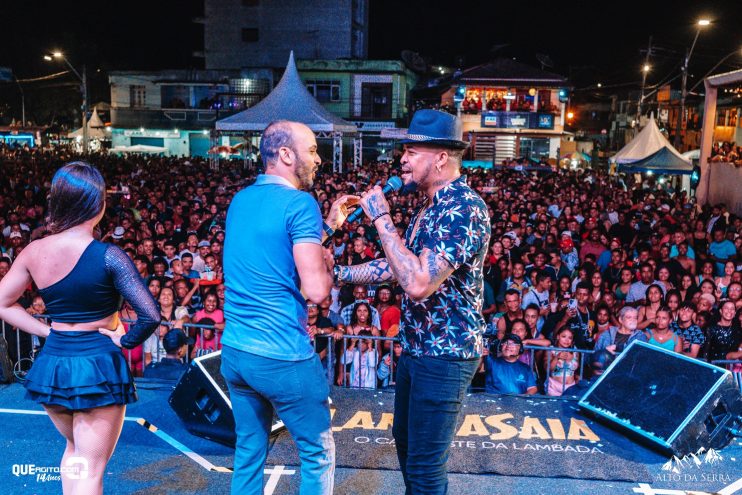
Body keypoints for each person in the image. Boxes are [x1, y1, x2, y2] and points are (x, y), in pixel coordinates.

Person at [336, 109, 491, 494]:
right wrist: (338, 274)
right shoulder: (430, 206)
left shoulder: (463, 208)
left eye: (412, 151)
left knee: (424, 469)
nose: (402, 160)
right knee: (406, 444)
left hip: (446, 356)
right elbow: (399, 267)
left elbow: (419, 283)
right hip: (419, 350)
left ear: (441, 157)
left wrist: (382, 219)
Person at [0, 162, 160, 494]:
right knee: (91, 468)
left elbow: (3, 303)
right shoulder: (109, 255)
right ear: (98, 204)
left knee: (74, 451)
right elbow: (150, 316)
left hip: (54, 362)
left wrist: (47, 332)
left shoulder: (33, 251)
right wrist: (124, 339)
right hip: (97, 366)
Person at [220, 121, 354, 494]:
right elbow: (316, 292)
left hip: (236, 352)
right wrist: (327, 264)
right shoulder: (300, 203)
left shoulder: (240, 200)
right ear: (285, 154)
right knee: (316, 451)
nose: (319, 159)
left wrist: (327, 226)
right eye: (311, 150)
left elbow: (275, 248)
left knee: (249, 450)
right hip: (282, 355)